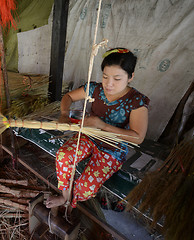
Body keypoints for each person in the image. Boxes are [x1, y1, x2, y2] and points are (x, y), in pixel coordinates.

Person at [46, 48, 150, 209]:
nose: (109, 84)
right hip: (89, 136)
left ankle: (72, 201)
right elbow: (68, 97)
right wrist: (64, 114)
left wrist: (102, 125)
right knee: (63, 156)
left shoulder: (136, 101)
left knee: (85, 188)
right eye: (105, 76)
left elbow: (138, 137)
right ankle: (64, 196)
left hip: (112, 147)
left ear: (130, 77)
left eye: (117, 78)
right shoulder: (95, 89)